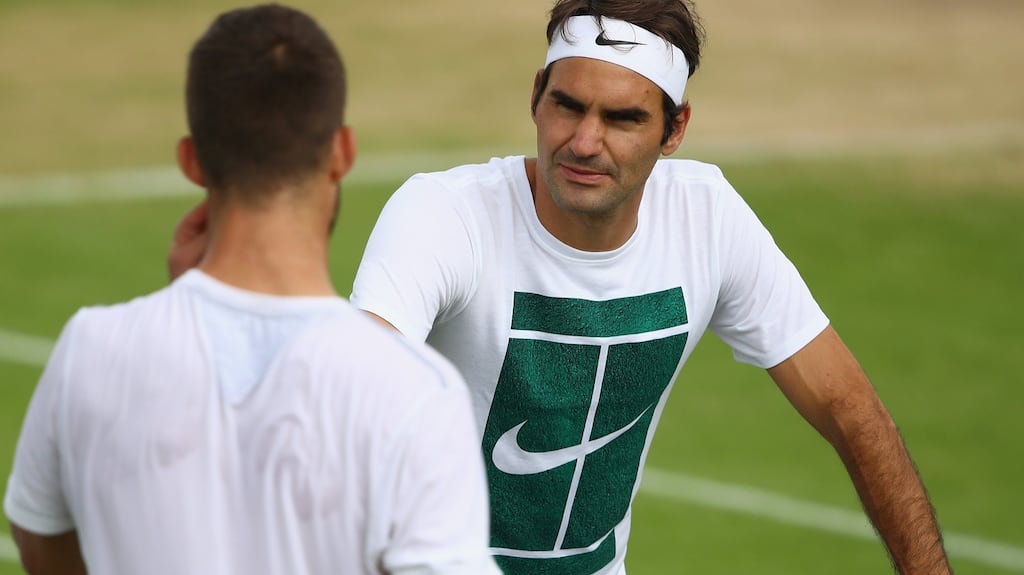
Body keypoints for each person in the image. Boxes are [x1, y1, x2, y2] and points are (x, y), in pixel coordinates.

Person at [344, 1, 954, 574]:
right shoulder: (444, 216)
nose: (584, 142)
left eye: (623, 118)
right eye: (568, 105)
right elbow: (348, 395)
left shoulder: (707, 219)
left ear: (675, 127)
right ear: (535, 97)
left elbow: (847, 406)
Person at [4, 4, 501, 575]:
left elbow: (44, 546)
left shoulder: (88, 352)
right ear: (342, 152)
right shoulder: (415, 391)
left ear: (192, 160)